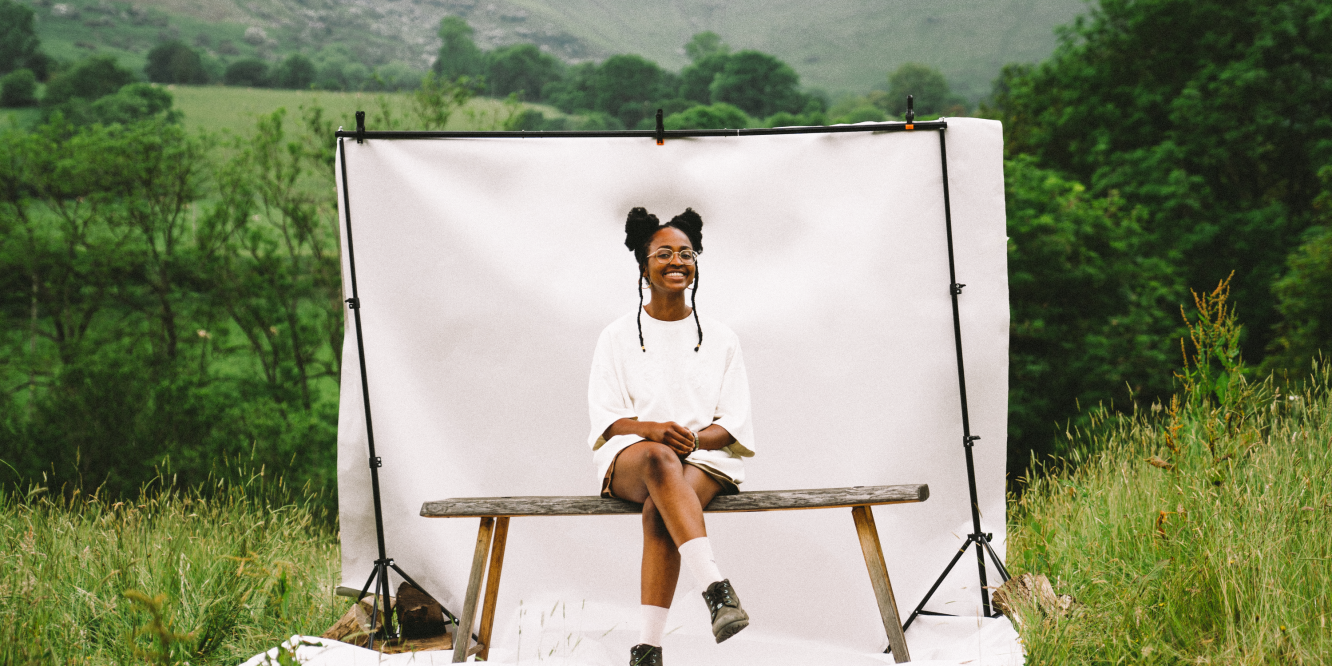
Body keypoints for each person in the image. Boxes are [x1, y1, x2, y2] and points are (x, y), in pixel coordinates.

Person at [587, 207, 756, 666]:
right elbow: (606, 422)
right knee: (660, 461)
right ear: (643, 264)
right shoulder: (616, 337)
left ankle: (647, 649)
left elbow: (733, 426)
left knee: (659, 514)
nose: (677, 261)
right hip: (635, 460)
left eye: (686, 253)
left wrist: (696, 442)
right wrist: (651, 430)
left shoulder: (722, 339)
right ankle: (716, 589)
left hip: (705, 461)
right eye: (664, 253)